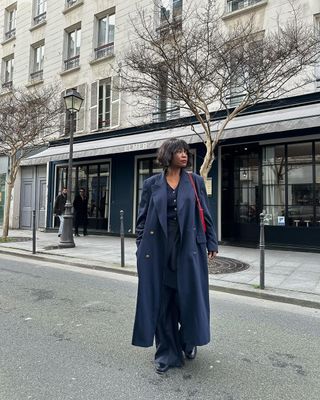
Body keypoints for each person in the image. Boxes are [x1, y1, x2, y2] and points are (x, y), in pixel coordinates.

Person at [132, 138, 218, 375]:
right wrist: (141, 246)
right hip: (158, 251)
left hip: (188, 248)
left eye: (185, 151)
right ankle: (165, 352)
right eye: (178, 151)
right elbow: (142, 219)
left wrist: (211, 241)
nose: (184, 155)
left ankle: (188, 341)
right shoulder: (151, 184)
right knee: (163, 302)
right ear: (167, 155)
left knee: (188, 299)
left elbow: (206, 214)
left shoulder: (195, 181)